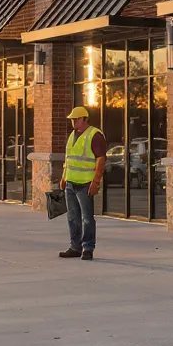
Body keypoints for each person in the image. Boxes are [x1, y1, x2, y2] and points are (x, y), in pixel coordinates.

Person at [59, 106, 106, 260]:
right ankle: (75, 247)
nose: (73, 122)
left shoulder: (95, 135)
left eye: (76, 119)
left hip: (85, 184)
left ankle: (88, 248)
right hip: (71, 183)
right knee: (72, 217)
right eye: (72, 119)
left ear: (84, 119)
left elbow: (100, 160)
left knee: (87, 218)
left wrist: (95, 182)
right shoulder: (72, 135)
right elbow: (69, 159)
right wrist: (64, 177)